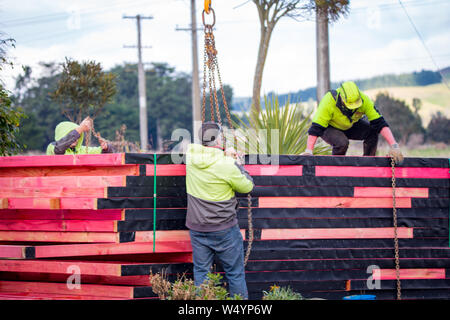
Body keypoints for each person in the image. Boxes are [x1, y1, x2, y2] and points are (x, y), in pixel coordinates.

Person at [185, 121, 254, 299]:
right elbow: (247, 187)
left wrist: (223, 153)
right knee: (235, 274)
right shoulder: (226, 165)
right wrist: (237, 163)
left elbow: (204, 152)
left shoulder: (191, 156)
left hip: (197, 228)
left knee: (201, 273)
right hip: (224, 228)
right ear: (219, 139)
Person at [302, 81, 404, 163]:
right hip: (329, 128)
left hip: (350, 125)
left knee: (372, 131)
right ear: (342, 99)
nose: (353, 108)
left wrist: (394, 146)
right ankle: (336, 167)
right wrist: (309, 151)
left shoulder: (364, 100)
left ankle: (367, 163)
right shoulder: (329, 100)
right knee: (342, 142)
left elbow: (380, 123)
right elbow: (316, 127)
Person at [46, 117, 113, 155]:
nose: (76, 138)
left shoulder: (82, 150)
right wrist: (81, 129)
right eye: (74, 135)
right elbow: (59, 148)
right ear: (62, 135)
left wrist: (106, 148)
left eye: (78, 136)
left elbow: (100, 152)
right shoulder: (52, 147)